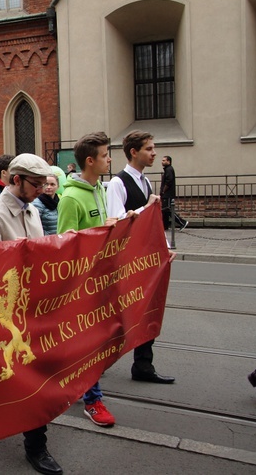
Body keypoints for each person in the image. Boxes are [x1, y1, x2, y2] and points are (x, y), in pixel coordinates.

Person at [0, 154, 62, 475]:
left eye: (43, 184)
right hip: (13, 316)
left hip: (36, 309)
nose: (42, 189)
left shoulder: (32, 210)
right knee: (29, 381)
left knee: (23, 376)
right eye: (36, 184)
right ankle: (36, 446)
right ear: (15, 180)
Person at [57, 132, 119, 428]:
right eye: (106, 155)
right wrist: (102, 231)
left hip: (103, 279)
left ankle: (74, 380)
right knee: (90, 344)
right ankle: (92, 400)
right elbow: (65, 245)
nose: (110, 160)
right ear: (90, 161)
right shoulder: (70, 198)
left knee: (98, 341)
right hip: (83, 285)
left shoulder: (101, 190)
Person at [106, 130, 176, 386]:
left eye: (153, 148)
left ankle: (143, 364)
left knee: (147, 309)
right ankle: (98, 360)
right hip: (126, 261)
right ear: (134, 152)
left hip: (144, 260)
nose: (154, 153)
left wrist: (164, 248)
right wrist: (147, 207)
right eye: (148, 148)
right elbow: (117, 222)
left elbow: (151, 224)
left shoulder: (145, 182)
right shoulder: (118, 183)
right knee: (119, 314)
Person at [160, 155, 187, 231]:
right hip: (166, 194)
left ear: (168, 161)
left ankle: (182, 222)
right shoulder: (167, 170)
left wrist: (163, 191)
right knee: (164, 210)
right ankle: (164, 226)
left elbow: (169, 181)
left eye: (164, 160)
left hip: (168, 194)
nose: (162, 162)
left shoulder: (169, 169)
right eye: (162, 160)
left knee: (168, 209)